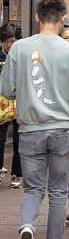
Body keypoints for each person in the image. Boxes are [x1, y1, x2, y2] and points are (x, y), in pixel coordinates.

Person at [4, 0, 69, 239]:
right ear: (64, 18)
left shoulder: (19, 48)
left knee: (32, 189)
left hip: (29, 129)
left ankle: (27, 228)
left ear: (36, 17)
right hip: (62, 129)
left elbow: (6, 90)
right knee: (57, 192)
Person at [0, 25, 20, 188]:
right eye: (7, 41)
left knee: (19, 140)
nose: (10, 45)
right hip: (2, 103)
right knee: (0, 138)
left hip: (20, 100)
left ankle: (16, 173)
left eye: (13, 41)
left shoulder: (23, 54)